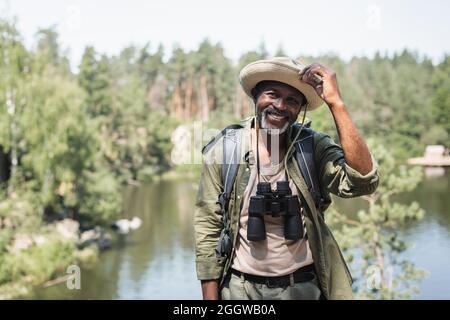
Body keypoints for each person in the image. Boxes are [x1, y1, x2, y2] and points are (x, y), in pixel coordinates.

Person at [194, 57, 379, 300]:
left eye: (292, 100)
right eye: (272, 94)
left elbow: (362, 182)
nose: (280, 106)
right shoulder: (225, 150)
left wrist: (336, 104)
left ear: (300, 110)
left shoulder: (312, 147)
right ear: (255, 97)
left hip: (302, 288)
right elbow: (208, 227)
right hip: (240, 289)